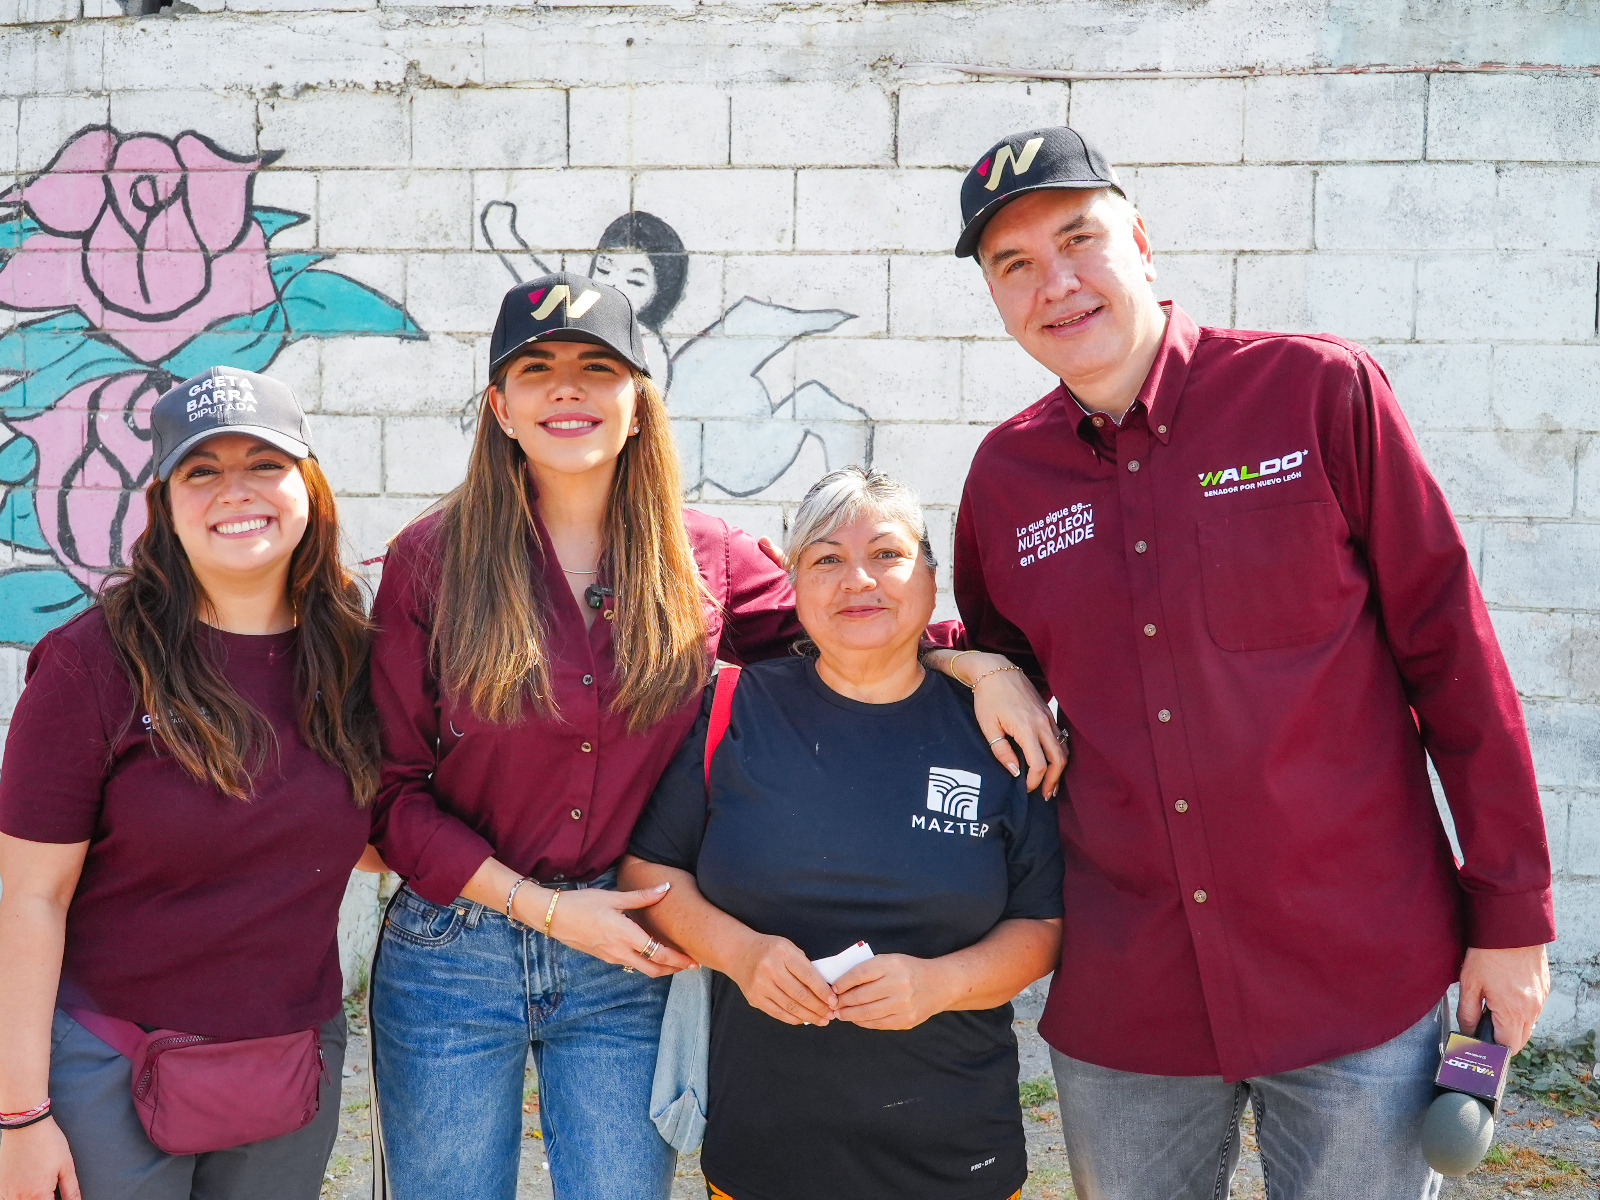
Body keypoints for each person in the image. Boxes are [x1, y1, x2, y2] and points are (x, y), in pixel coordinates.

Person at [947, 125, 1556, 1199]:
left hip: (1358, 977)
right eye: (1015, 264)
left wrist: (1509, 921)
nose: (1057, 282)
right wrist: (975, 665)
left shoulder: (1316, 393)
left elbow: (1452, 655)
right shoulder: (1004, 481)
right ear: (996, 298)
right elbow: (994, 650)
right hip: (1128, 997)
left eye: (1078, 239)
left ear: (1139, 241)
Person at [365, 274, 1059, 1200]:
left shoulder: (708, 559)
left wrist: (981, 664)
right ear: (499, 406)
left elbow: (855, 627)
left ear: (639, 404)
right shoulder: (431, 558)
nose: (566, 389)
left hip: (629, 957)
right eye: (536, 369)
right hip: (458, 945)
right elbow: (390, 791)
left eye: (597, 368)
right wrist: (542, 906)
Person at [621, 466, 1063, 1200]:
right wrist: (741, 953)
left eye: (886, 554)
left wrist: (941, 983)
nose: (858, 578)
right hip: (763, 1154)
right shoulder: (732, 708)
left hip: (954, 1155)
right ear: (793, 582)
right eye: (826, 559)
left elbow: (1042, 923)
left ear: (929, 573)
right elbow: (647, 875)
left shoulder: (996, 729)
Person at [0, 367, 381, 1200]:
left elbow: (381, 838)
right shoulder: (91, 665)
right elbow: (29, 896)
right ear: (164, 504)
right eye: (202, 471)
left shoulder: (355, 657)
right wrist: (19, 1117)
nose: (234, 491)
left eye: (264, 464)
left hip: (288, 1061)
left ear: (306, 484)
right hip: (110, 1062)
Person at [588, 210, 688, 386]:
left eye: (635, 281)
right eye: (604, 270)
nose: (613, 286)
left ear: (659, 293)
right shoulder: (584, 325)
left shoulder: (645, 344)